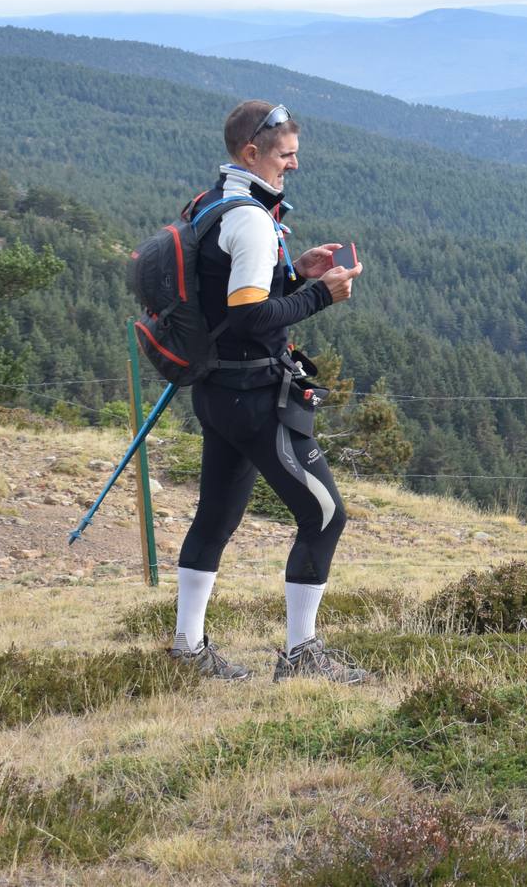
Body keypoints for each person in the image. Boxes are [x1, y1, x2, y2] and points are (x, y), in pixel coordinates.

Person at [167, 100, 372, 682]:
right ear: (251, 153)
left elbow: (227, 295)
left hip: (215, 391)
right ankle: (304, 656)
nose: (295, 166)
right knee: (325, 517)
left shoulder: (211, 203)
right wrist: (320, 295)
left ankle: (188, 651)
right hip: (256, 396)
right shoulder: (254, 220)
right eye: (286, 156)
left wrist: (293, 272)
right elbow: (253, 315)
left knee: (215, 518)